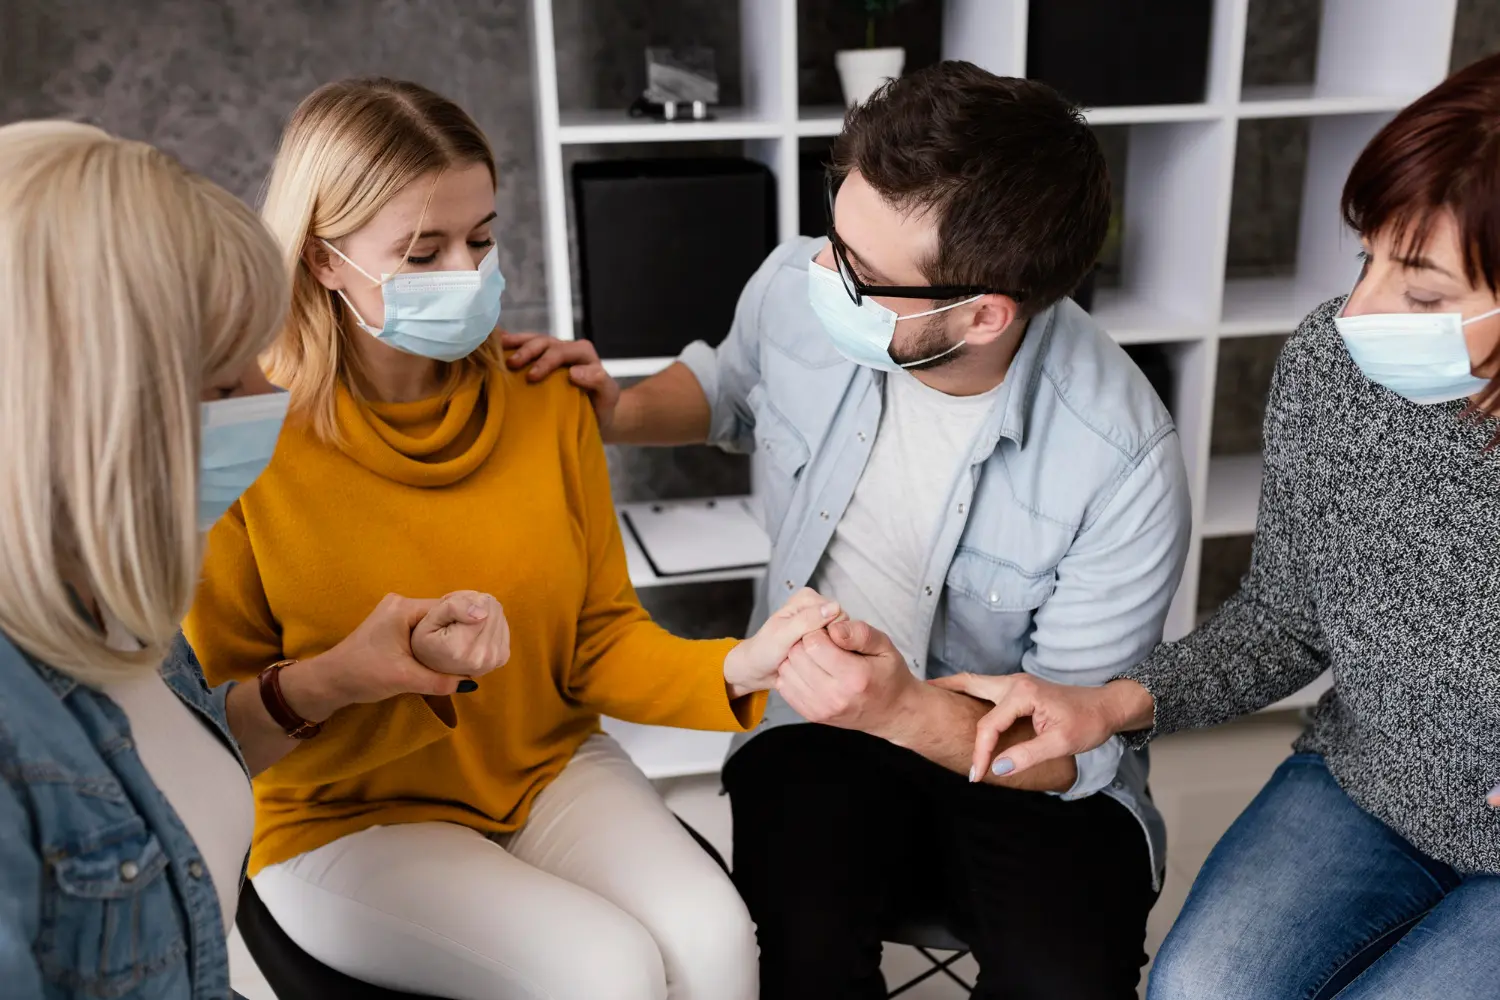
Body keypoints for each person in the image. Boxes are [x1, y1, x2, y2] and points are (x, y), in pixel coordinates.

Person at [505, 61, 1192, 998]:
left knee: (1066, 980)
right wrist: (616, 409)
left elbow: (1066, 744)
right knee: (792, 954)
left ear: (983, 313)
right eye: (836, 232)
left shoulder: (1121, 455)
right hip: (814, 733)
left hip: (1019, 771)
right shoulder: (799, 283)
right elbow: (725, 387)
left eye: (863, 275)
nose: (822, 270)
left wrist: (903, 710)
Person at [182, 77, 836, 1000]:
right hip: (345, 817)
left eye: (481, 239)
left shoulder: (546, 398)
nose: (468, 271)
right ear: (326, 259)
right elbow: (211, 720)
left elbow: (598, 638)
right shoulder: (247, 434)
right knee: (606, 972)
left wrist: (742, 667)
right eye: (423, 250)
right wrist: (352, 674)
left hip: (544, 764)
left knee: (718, 942)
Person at [937, 52, 1500, 1000]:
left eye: (1423, 295)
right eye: (1365, 258)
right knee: (1198, 988)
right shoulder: (1334, 370)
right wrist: (1107, 704)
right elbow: (1287, 621)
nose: (1355, 315)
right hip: (1367, 784)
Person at [0, 122, 497, 999]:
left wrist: (336, 679)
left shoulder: (113, 602)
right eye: (226, 384)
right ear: (77, 412)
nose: (270, 399)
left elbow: (164, 761)